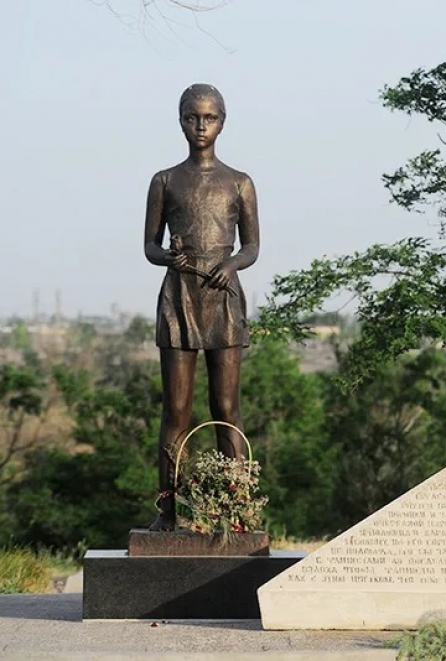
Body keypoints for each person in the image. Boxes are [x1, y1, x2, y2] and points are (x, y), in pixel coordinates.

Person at [143, 84, 260, 531]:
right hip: (180, 298)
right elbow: (150, 246)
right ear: (180, 121)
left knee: (226, 407)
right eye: (192, 118)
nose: (200, 126)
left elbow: (251, 247)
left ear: (222, 122)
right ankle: (169, 510)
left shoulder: (239, 182)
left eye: (209, 118)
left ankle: (236, 509)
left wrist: (231, 264)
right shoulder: (165, 181)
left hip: (223, 299)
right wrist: (168, 257)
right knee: (176, 410)